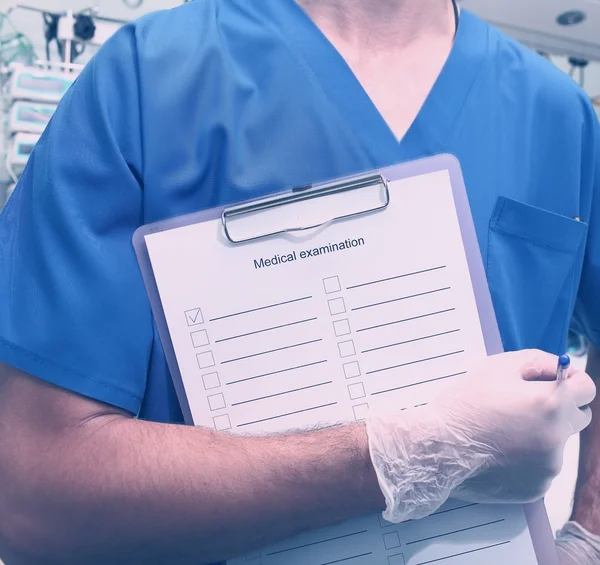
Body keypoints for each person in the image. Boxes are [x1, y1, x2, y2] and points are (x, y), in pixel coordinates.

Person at [0, 0, 599, 563]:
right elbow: (28, 490)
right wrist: (410, 455)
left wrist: (589, 534)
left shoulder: (559, 117)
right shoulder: (149, 79)